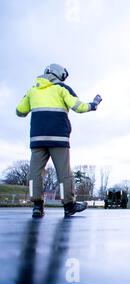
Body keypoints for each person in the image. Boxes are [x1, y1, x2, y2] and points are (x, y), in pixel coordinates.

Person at [16, 64, 103, 218]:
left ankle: (37, 206)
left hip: (37, 139)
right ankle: (69, 206)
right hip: (59, 138)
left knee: (35, 173)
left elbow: (20, 111)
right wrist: (94, 104)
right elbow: (79, 107)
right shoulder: (62, 88)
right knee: (64, 173)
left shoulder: (32, 90)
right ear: (59, 75)